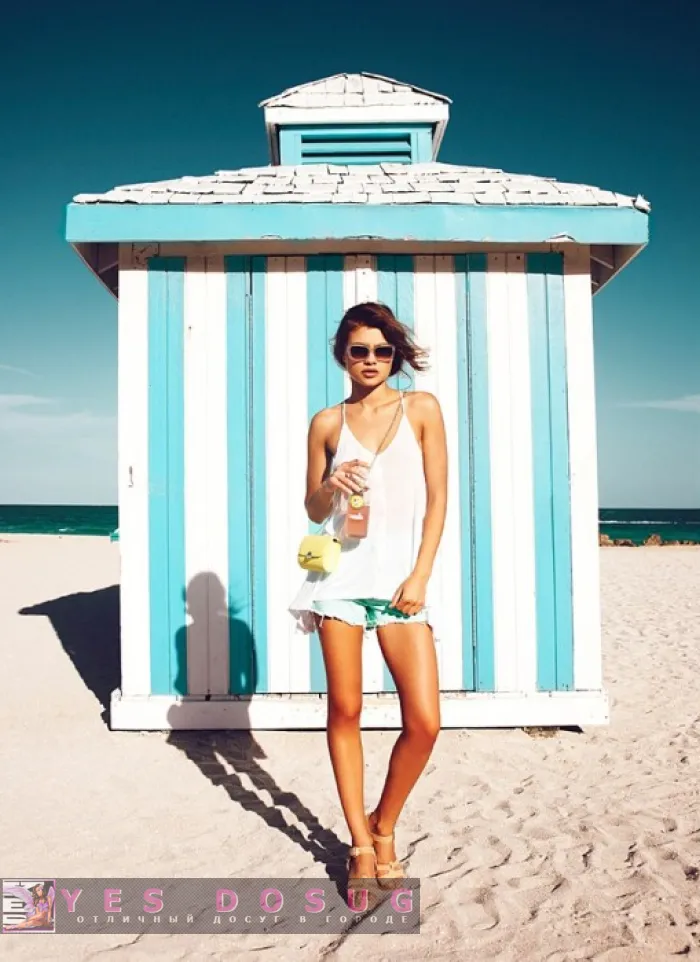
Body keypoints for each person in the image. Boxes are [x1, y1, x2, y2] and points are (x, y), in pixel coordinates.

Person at [289, 301, 448, 900]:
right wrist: (331, 484)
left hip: (401, 584)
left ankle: (384, 822)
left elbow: (439, 498)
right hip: (340, 584)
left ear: (395, 355)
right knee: (346, 710)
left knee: (425, 722)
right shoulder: (327, 422)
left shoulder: (422, 408)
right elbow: (312, 509)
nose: (372, 360)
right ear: (343, 355)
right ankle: (361, 843)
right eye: (360, 350)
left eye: (383, 350)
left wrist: (421, 573)